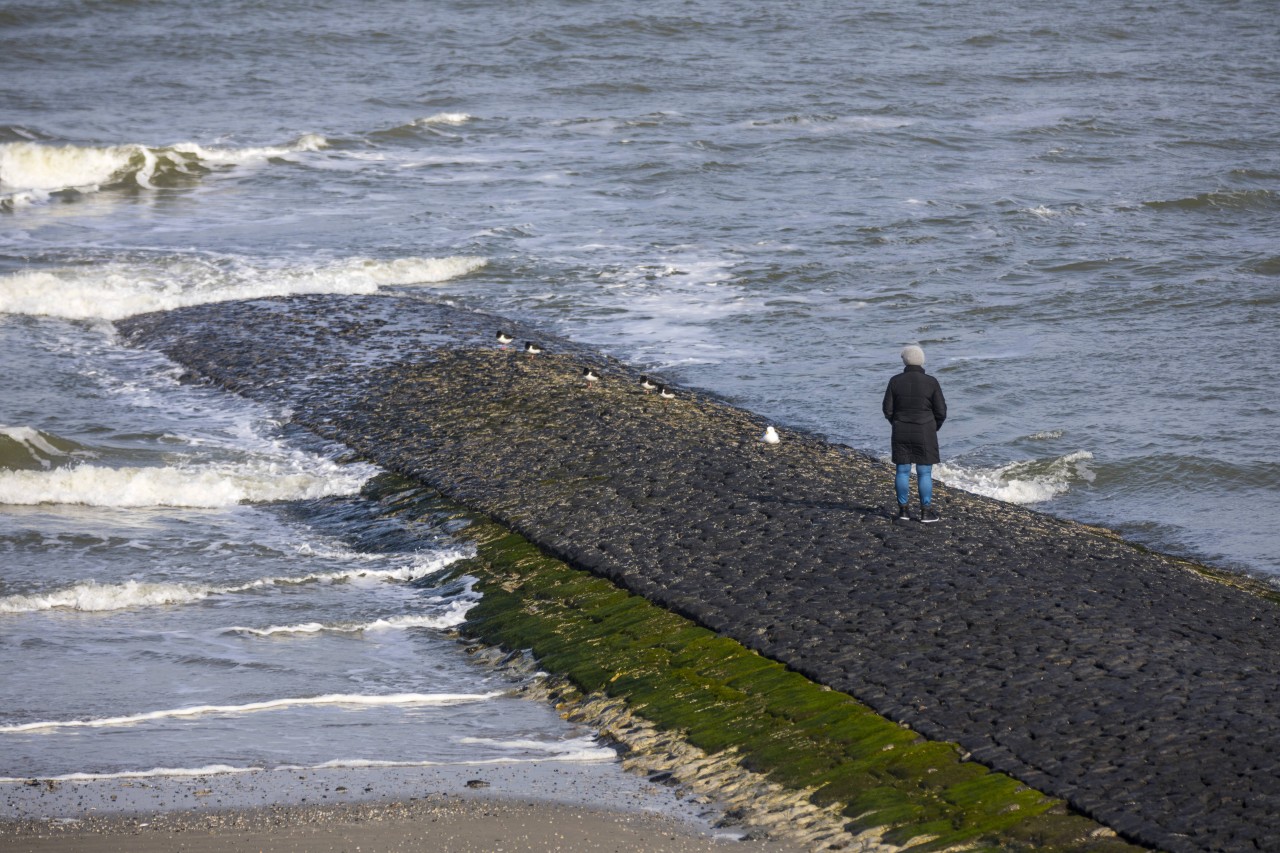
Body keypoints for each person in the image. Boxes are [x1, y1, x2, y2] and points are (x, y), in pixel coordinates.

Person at [882, 345, 946, 522]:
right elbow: (941, 411)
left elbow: (887, 409)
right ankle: (925, 512)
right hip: (925, 430)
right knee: (924, 472)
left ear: (905, 360)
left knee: (902, 470)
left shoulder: (895, 381)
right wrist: (934, 427)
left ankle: (903, 511)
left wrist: (896, 422)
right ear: (922, 360)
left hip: (901, 429)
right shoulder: (931, 382)